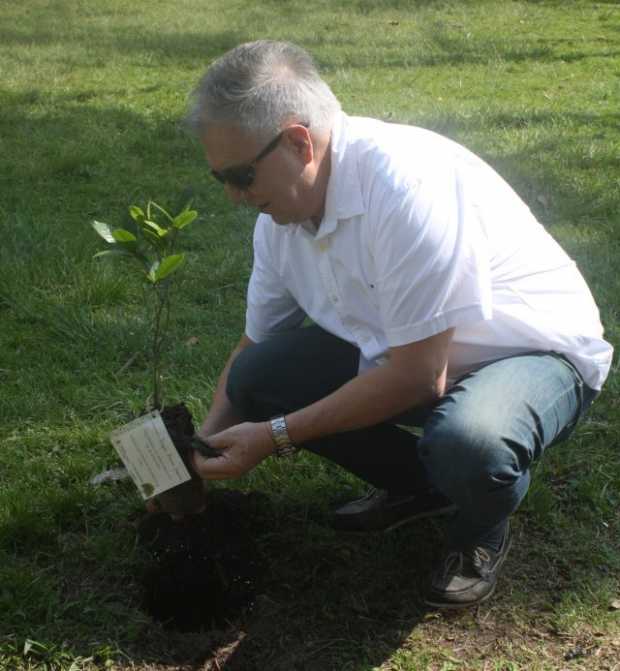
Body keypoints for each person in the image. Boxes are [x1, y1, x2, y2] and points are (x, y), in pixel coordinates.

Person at [184, 40, 613, 608]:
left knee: (470, 442)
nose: (234, 197)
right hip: (411, 354)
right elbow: (254, 345)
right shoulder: (281, 220)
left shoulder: (405, 188)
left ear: (297, 142)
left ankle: (477, 527)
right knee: (259, 375)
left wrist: (273, 436)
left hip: (529, 352)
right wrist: (204, 447)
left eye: (241, 176)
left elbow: (416, 378)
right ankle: (423, 488)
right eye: (222, 179)